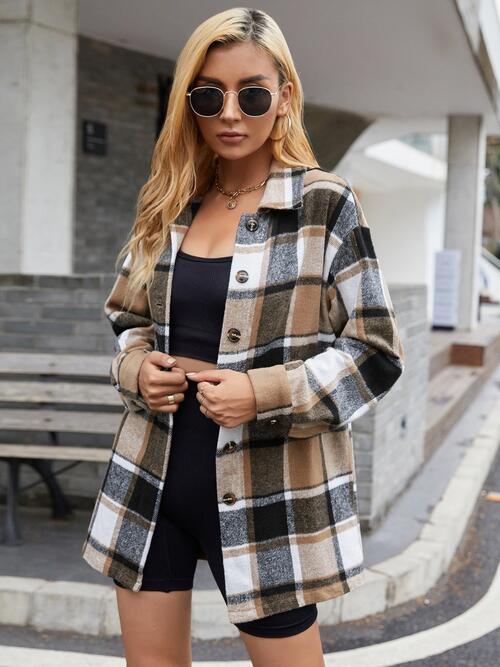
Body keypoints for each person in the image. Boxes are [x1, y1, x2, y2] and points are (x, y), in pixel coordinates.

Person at [81, 7, 405, 666]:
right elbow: (127, 321)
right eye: (209, 96)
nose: (230, 113)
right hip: (150, 481)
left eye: (251, 94)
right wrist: (136, 370)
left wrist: (262, 392)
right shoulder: (169, 203)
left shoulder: (325, 205)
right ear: (189, 104)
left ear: (284, 97)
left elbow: (376, 352)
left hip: (271, 496)